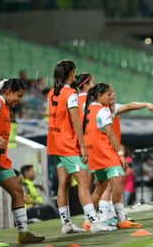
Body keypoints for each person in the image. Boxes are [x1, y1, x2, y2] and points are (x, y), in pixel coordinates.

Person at [47, 60, 114, 234]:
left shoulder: (51, 93)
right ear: (71, 74)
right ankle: (93, 221)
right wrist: (82, 147)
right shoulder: (70, 93)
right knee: (84, 181)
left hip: (54, 142)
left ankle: (66, 224)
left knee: (64, 183)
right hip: (67, 143)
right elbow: (75, 120)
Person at [0, 78, 45, 244]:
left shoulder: (5, 107)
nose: (20, 100)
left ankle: (23, 233)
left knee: (17, 191)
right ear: (8, 92)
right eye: (18, 95)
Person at [83, 83, 142, 229]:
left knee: (99, 188)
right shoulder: (103, 111)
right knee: (118, 183)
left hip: (94, 155)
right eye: (108, 95)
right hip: (106, 154)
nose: (111, 98)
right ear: (99, 96)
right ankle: (121, 219)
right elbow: (110, 133)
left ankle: (88, 221)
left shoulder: (87, 109)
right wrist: (121, 154)